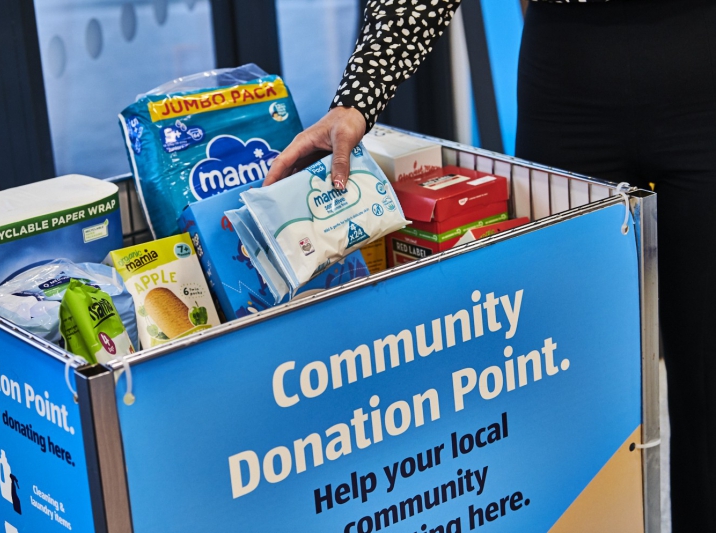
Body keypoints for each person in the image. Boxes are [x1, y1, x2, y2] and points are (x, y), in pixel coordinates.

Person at [264, 1, 716, 531]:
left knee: (707, 369)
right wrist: (356, 100)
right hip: (566, 80)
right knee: (563, 363)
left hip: (702, 68)